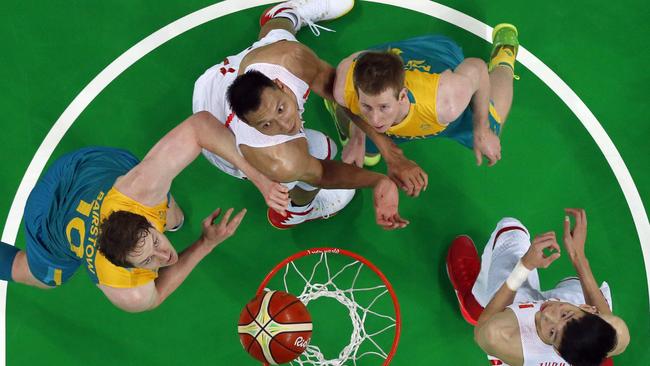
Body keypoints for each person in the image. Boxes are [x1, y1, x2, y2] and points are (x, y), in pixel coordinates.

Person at [0, 112, 286, 312]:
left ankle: (167, 219)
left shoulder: (139, 190)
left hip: (84, 169)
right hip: (49, 222)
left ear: (144, 219)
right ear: (127, 268)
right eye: (148, 260)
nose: (165, 255)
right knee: (43, 278)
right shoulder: (126, 290)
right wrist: (205, 244)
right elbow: (156, 294)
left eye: (155, 241)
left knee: (169, 209)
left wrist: (260, 179)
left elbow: (200, 126)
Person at [193, 0, 407, 230]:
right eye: (267, 125)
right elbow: (322, 173)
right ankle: (297, 211)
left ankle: (287, 13)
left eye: (281, 109)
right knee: (323, 150)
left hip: (224, 77)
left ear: (280, 84)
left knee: (278, 37)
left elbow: (339, 93)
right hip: (223, 135)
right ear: (250, 124)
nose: (285, 125)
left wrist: (386, 149)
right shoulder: (278, 157)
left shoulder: (289, 58)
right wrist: (379, 181)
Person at [327, 24, 519, 197]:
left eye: (383, 107)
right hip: (387, 57)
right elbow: (357, 59)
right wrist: (357, 135)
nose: (375, 119)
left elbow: (477, 69)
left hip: (439, 54)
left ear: (402, 96)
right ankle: (350, 121)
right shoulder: (345, 88)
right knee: (364, 146)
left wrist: (482, 129)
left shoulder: (447, 102)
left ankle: (504, 59)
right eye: (367, 106)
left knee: (492, 129)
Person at [446, 209, 630, 366]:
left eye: (552, 332)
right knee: (575, 284)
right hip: (569, 323)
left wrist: (525, 265)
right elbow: (604, 323)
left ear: (557, 351)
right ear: (589, 309)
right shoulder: (615, 334)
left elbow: (482, 330)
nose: (549, 313)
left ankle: (474, 302)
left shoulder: (504, 336)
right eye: (565, 314)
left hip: (518, 323)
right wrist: (577, 255)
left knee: (511, 231)